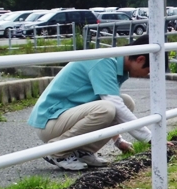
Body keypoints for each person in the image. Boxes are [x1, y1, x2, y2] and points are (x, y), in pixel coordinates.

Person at [28, 35, 153, 171]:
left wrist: (118, 141)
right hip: (50, 121)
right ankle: (57, 151)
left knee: (126, 102)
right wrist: (151, 139)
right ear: (140, 59)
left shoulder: (116, 63)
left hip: (65, 118)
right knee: (107, 108)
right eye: (148, 70)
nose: (147, 74)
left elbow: (113, 105)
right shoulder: (104, 61)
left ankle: (83, 152)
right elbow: (112, 106)